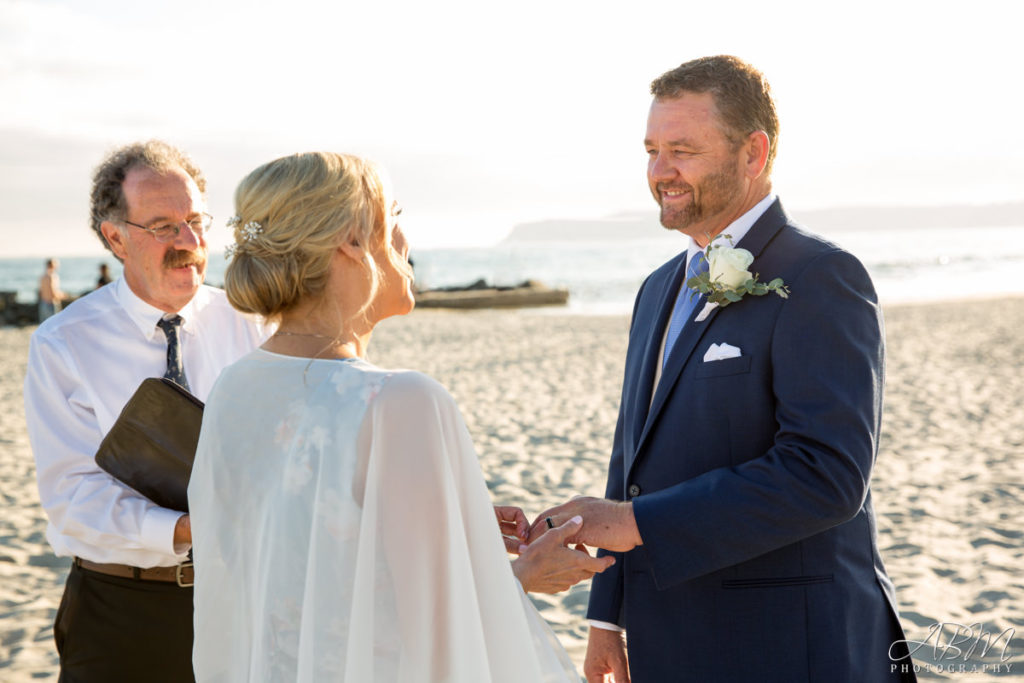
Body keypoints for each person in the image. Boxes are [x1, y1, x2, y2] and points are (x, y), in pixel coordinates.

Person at [530, 56, 915, 683]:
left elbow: (828, 474)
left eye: (682, 150)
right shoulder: (657, 288)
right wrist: (609, 620)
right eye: (652, 150)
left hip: (791, 644)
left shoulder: (821, 277)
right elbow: (632, 460)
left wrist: (632, 525)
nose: (660, 172)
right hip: (668, 636)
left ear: (753, 152)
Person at [188, 151, 613, 682]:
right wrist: (524, 574)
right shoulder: (400, 401)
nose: (406, 242)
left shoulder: (234, 388)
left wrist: (461, 532)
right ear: (352, 240)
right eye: (394, 218)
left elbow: (272, 573)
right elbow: (434, 627)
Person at [23, 140, 268, 682]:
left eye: (196, 221)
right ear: (115, 237)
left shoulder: (253, 323)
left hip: (243, 599)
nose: (188, 242)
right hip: (119, 611)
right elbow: (72, 500)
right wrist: (186, 530)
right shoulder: (63, 344)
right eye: (162, 226)